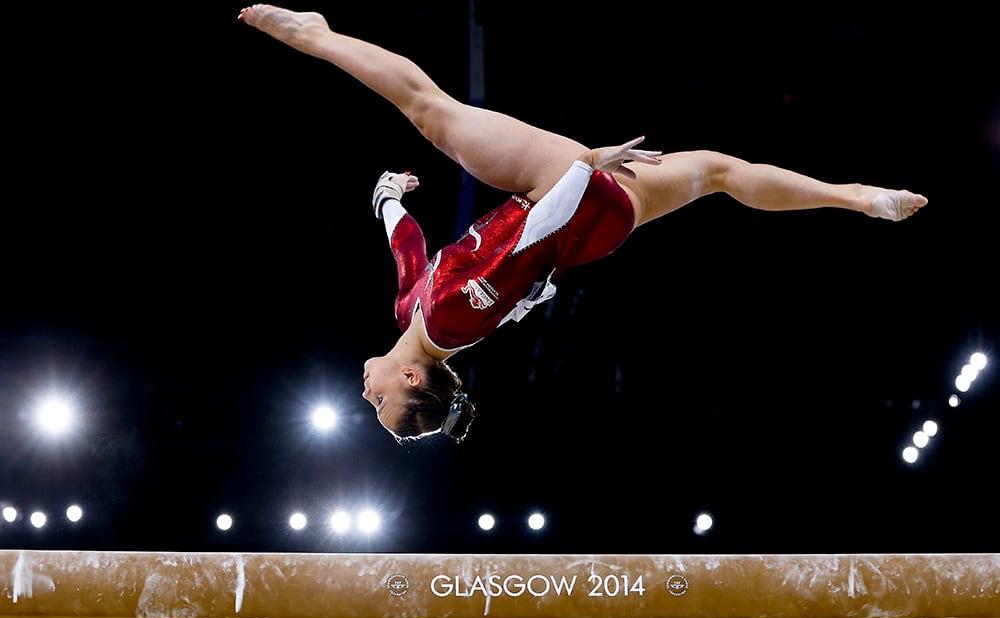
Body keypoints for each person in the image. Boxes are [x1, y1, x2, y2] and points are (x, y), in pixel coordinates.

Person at [237, 4, 928, 446]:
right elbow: (531, 236)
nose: (366, 392)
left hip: (595, 228)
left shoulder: (417, 313)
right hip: (560, 201)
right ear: (414, 381)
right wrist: (584, 166)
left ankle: (857, 198)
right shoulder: (451, 323)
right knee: (430, 110)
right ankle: (317, 35)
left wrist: (387, 198)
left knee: (718, 171)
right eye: (378, 403)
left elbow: (407, 252)